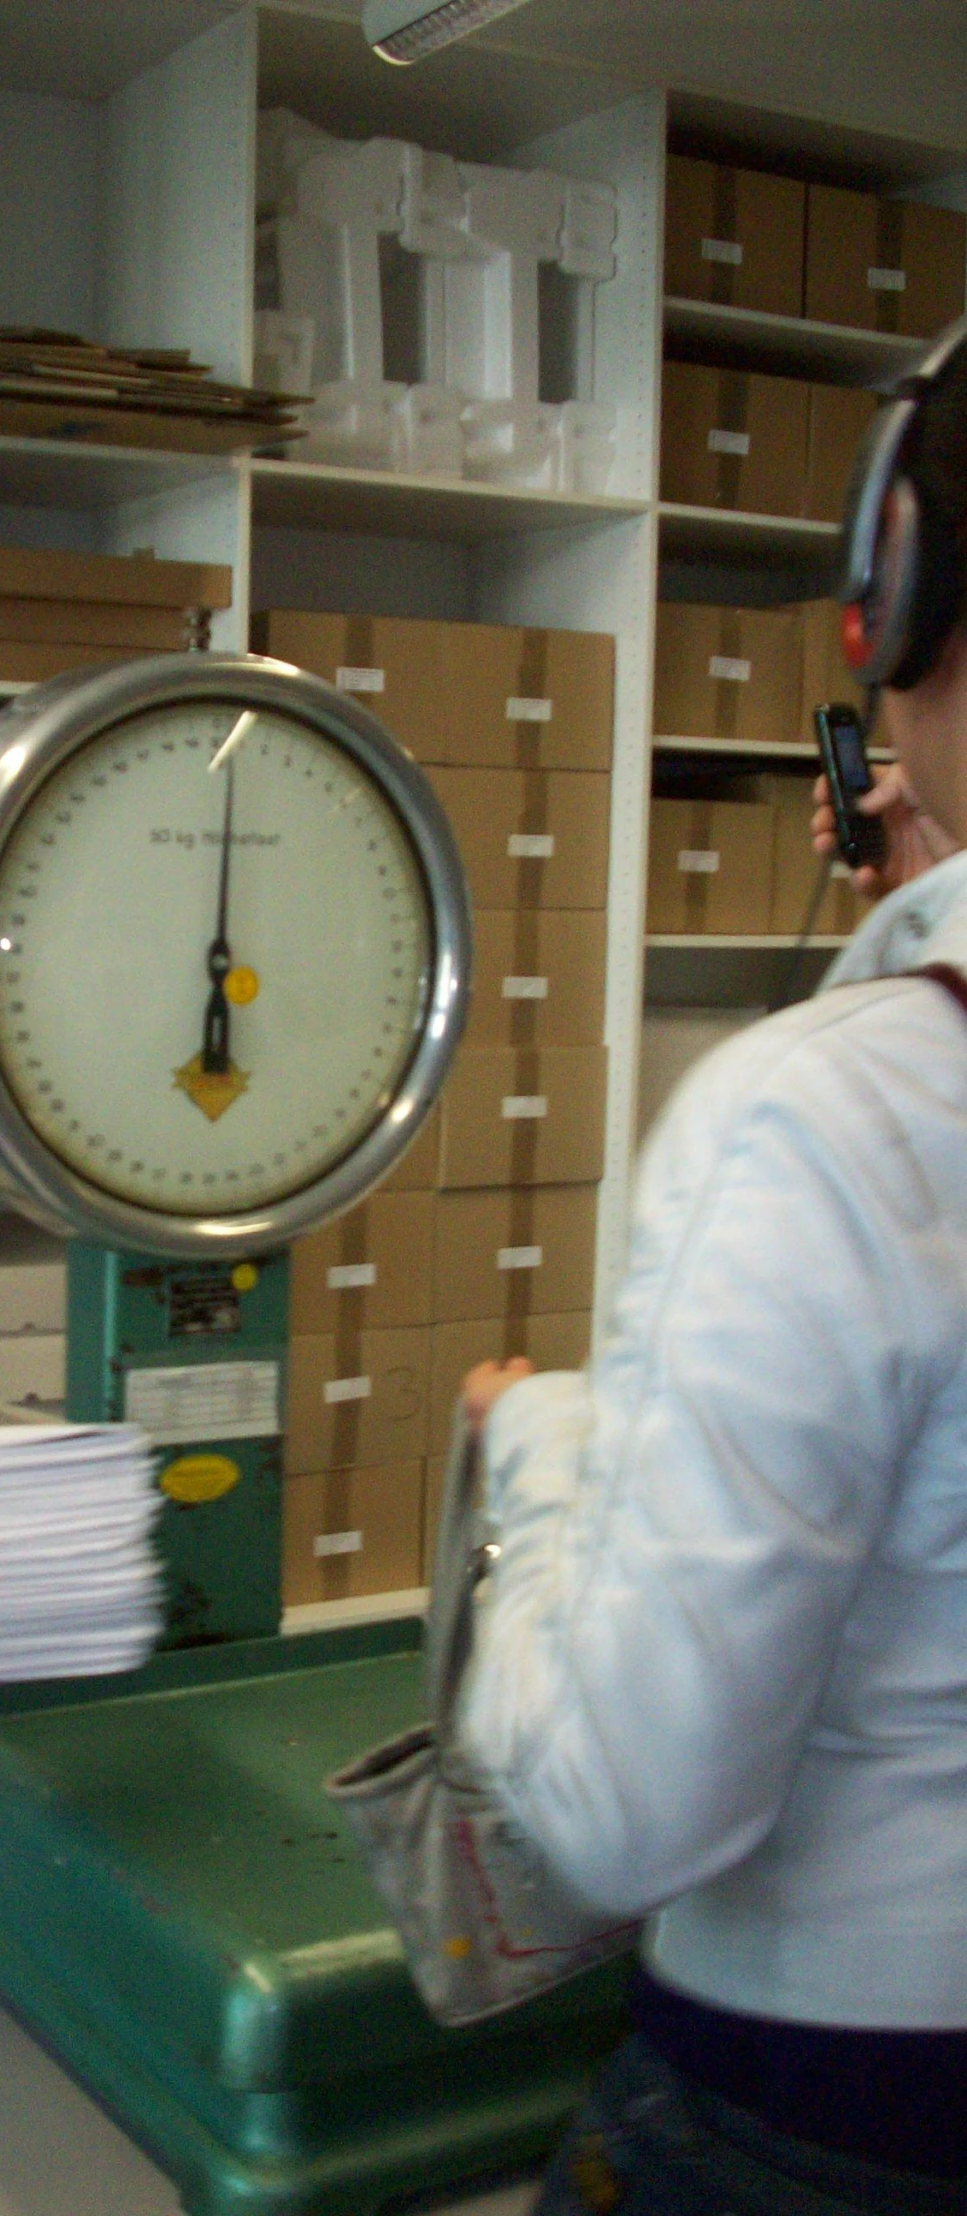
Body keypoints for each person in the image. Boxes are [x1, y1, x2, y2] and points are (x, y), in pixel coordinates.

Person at [457, 326, 967, 2214]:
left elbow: (624, 1814)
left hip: (829, 2116)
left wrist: (544, 1456)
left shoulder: (814, 1120)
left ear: (896, 581)